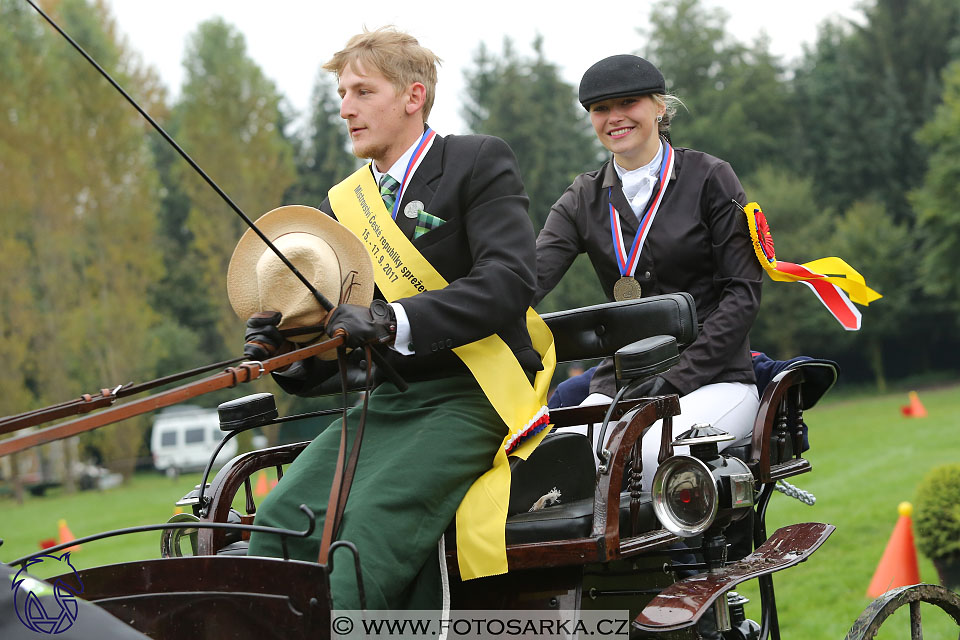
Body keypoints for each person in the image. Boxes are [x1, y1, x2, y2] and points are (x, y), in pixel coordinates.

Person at [233, 28, 548, 610]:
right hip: (387, 402)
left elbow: (508, 280)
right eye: (342, 95)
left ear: (413, 96)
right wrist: (291, 355)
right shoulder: (345, 204)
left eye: (362, 91)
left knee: (367, 532)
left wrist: (392, 318)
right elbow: (348, 347)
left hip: (475, 393)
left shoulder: (477, 161)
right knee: (280, 518)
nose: (346, 109)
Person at [535, 54, 763, 492]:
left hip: (716, 379)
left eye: (628, 102)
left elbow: (743, 295)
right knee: (563, 461)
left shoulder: (712, 177)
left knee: (645, 453)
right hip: (624, 384)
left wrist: (674, 379)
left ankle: (683, 559)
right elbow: (527, 281)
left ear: (660, 107)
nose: (614, 117)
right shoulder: (581, 198)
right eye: (601, 109)